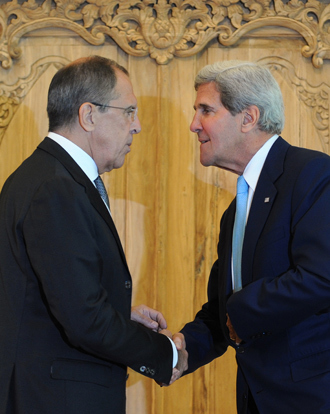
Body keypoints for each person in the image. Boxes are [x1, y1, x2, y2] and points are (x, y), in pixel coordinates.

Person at [0, 55, 187, 414]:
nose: (138, 126)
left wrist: (118, 313)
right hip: (56, 400)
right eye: (128, 111)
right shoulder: (56, 188)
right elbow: (84, 320)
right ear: (88, 115)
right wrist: (166, 352)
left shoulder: (47, 176)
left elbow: (58, 297)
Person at [172, 60, 330, 414]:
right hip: (256, 400)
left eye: (206, 110)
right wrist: (179, 348)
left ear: (248, 118)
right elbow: (222, 311)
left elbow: (322, 276)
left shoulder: (314, 174)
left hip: (313, 398)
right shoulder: (237, 209)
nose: (193, 125)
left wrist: (239, 312)